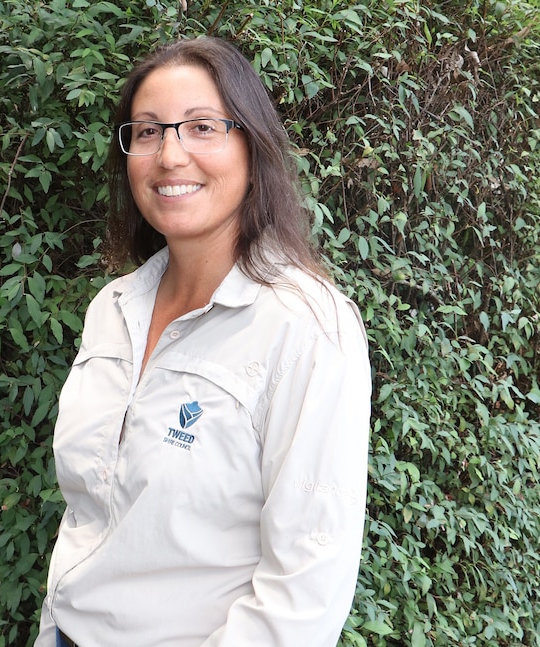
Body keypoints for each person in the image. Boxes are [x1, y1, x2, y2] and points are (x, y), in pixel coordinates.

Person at [35, 36, 371, 647]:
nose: (170, 154)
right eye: (147, 131)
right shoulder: (113, 309)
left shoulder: (305, 326)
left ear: (252, 146)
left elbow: (305, 587)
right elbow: (88, 513)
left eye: (202, 127)